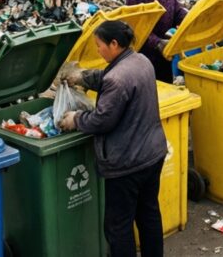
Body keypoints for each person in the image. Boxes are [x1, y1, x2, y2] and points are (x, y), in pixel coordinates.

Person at [58, 20, 167, 257]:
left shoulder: (117, 78)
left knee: (118, 226)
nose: (97, 50)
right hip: (153, 153)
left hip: (128, 163)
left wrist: (75, 119)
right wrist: (82, 77)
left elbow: (101, 120)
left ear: (114, 44)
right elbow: (108, 78)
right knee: (148, 214)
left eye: (99, 45)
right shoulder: (140, 60)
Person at [125, 0, 187, 83]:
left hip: (164, 50)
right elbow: (136, 28)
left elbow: (176, 10)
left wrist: (188, 19)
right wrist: (157, 42)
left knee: (166, 84)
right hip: (145, 53)